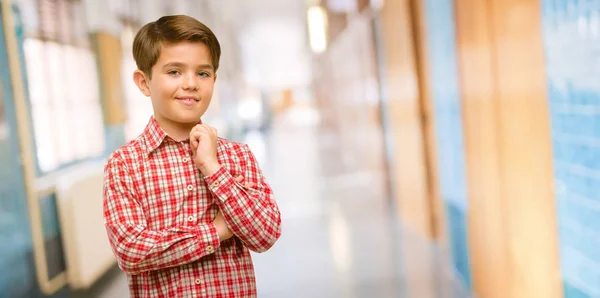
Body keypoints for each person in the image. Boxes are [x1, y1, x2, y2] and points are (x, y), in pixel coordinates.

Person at [102, 15, 282, 297]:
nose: (190, 83)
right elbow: (131, 251)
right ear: (144, 82)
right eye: (174, 72)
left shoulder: (237, 156)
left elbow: (264, 234)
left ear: (214, 79)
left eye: (202, 73)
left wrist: (213, 168)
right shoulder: (125, 165)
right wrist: (217, 231)